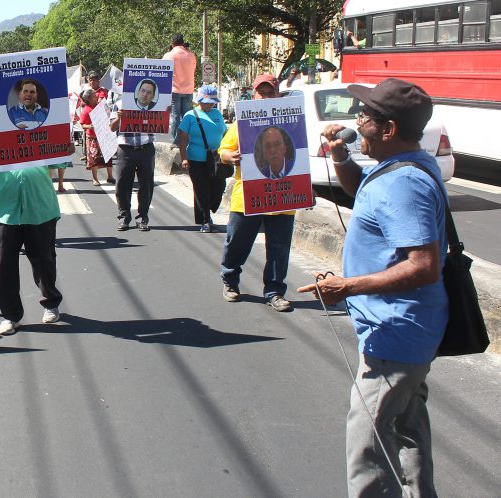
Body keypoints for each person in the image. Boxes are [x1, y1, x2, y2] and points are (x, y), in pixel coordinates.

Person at [296, 78, 446, 498]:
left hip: (395, 333)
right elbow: (360, 189)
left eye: (364, 116)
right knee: (407, 428)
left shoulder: (405, 183)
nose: (356, 121)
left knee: (368, 447)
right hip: (404, 331)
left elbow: (424, 265)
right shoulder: (400, 165)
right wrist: (340, 155)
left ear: (389, 129)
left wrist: (348, 286)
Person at [0, 124, 70, 335]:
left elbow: (60, 160)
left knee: (44, 259)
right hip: (6, 209)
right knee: (5, 264)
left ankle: (51, 302)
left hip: (40, 206)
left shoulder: (43, 121)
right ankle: (10, 315)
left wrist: (66, 149)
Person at [217, 73, 295, 312]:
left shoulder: (291, 120)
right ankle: (230, 281)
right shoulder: (241, 122)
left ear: (278, 95)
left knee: (279, 249)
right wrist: (230, 156)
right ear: (253, 95)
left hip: (283, 197)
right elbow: (223, 151)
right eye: (262, 93)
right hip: (247, 196)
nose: (266, 97)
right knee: (237, 242)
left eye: (271, 93)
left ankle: (274, 291)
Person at [109, 90, 170, 232]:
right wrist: (119, 118)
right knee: (123, 185)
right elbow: (112, 127)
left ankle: (143, 217)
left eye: (148, 92)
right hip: (125, 149)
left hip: (146, 148)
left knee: (146, 185)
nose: (145, 94)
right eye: (142, 90)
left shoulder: (156, 106)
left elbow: (162, 122)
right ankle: (124, 217)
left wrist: (166, 113)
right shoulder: (119, 104)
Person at [177, 85, 227, 232]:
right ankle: (205, 220)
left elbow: (224, 133)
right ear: (199, 101)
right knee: (201, 190)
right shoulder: (190, 115)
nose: (210, 105)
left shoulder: (217, 114)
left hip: (216, 158)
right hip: (196, 159)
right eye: (207, 102)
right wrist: (184, 158)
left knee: (219, 187)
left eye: (212, 102)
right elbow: (182, 138)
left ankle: (207, 209)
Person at [162, 34, 197, 144]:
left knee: (175, 117)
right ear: (182, 42)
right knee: (187, 117)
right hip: (188, 90)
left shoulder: (168, 56)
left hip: (174, 90)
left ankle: (176, 142)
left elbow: (163, 72)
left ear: (172, 43)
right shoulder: (191, 55)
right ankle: (187, 141)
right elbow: (193, 69)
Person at [80, 88, 114, 187]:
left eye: (96, 96)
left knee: (108, 156)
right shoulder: (86, 110)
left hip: (104, 135)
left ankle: (110, 176)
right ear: (88, 99)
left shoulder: (100, 106)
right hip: (93, 137)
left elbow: (108, 115)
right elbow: (82, 124)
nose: (96, 98)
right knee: (94, 158)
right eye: (94, 97)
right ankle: (95, 178)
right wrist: (89, 126)